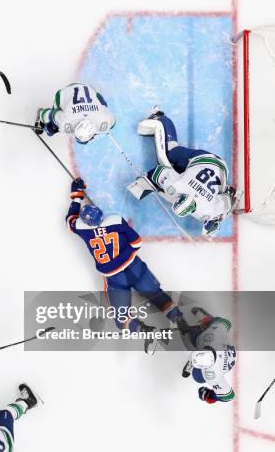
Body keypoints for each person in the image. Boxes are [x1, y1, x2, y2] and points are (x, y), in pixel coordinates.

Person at [66, 178, 186, 346]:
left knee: (121, 319)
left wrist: (76, 195)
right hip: (134, 267)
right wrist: (126, 255)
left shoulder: (81, 228)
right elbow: (137, 242)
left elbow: (70, 218)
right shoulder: (114, 220)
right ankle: (181, 322)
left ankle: (146, 330)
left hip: (114, 278)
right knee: (158, 295)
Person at [128, 107, 241, 236]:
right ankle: (161, 118)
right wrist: (143, 185)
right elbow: (159, 171)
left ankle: (162, 121)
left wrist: (213, 223)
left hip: (222, 170)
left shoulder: (209, 211)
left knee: (169, 179)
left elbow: (227, 199)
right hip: (204, 160)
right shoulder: (180, 185)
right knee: (168, 155)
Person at [181, 307, 236, 404]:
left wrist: (210, 396)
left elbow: (230, 397)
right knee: (200, 337)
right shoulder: (212, 375)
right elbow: (226, 322)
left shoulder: (211, 375)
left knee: (198, 377)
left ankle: (199, 326)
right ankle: (205, 320)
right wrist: (209, 396)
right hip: (223, 353)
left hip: (222, 355)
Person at [35, 83, 115, 144]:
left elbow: (112, 121)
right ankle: (41, 114)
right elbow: (53, 114)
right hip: (65, 93)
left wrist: (105, 124)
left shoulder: (107, 121)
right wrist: (52, 127)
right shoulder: (66, 120)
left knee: (104, 107)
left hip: (88, 89)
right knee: (51, 124)